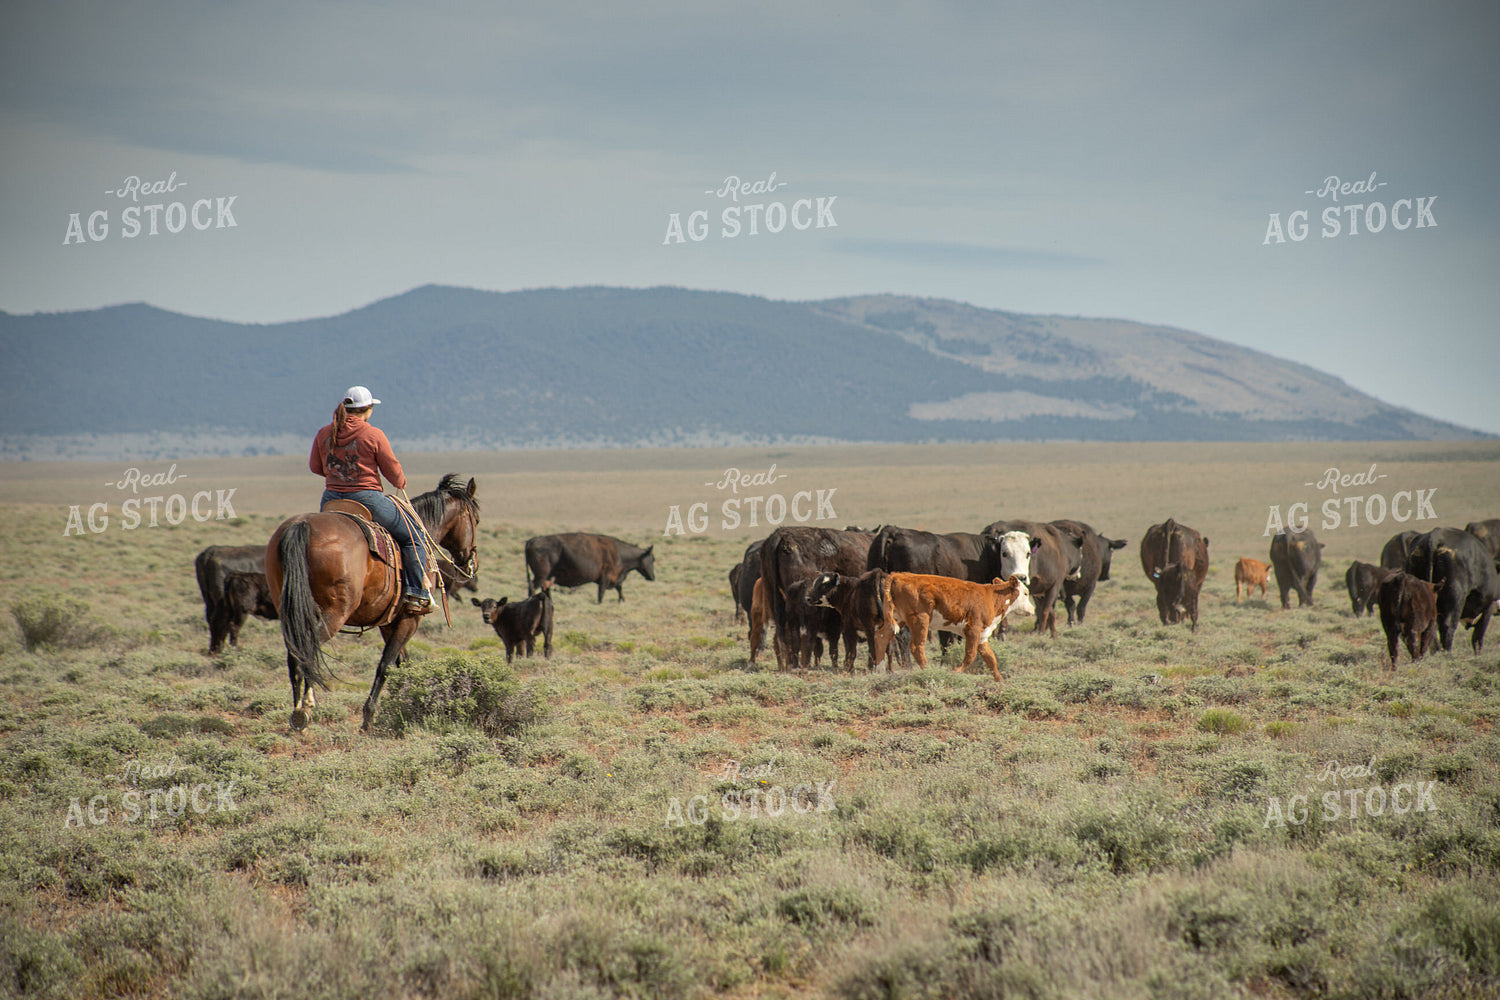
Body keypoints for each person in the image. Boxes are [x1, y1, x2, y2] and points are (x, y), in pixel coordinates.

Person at [309, 385, 432, 613]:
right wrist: (400, 481)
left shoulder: (324, 433)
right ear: (367, 409)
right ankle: (417, 592)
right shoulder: (373, 434)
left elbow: (316, 467)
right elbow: (392, 469)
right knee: (413, 536)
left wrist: (339, 477)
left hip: (331, 500)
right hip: (367, 498)